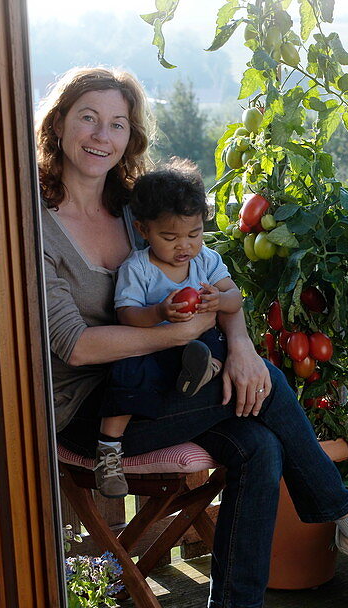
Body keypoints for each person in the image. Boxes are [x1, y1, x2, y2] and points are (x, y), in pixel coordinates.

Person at [37, 67, 348, 608]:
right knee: (264, 389)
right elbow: (76, 345)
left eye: (118, 122)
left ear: (132, 136)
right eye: (88, 118)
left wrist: (237, 343)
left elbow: (218, 291)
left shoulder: (140, 214)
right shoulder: (35, 226)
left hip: (176, 389)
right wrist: (184, 336)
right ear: (59, 124)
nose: (103, 134)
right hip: (89, 413)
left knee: (259, 447)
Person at [95, 161, 240, 498]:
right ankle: (108, 450)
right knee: (127, 368)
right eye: (170, 237)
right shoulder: (138, 268)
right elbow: (126, 315)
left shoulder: (205, 259)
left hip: (190, 352)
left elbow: (236, 298)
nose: (184, 246)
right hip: (153, 350)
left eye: (194, 234)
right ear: (143, 230)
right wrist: (159, 311)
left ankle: (204, 368)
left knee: (210, 336)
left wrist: (218, 299)